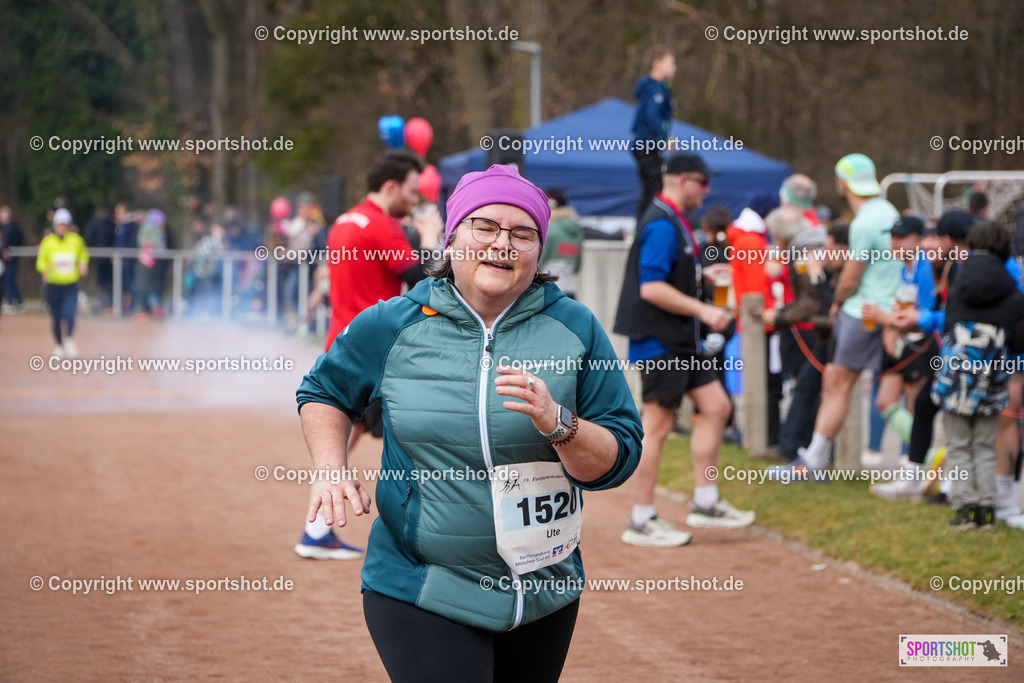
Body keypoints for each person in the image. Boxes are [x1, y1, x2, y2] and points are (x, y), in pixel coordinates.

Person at [296, 164, 642, 680]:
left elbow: (619, 456)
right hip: (421, 585)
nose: (502, 244)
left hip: (544, 590)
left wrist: (561, 424)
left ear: (538, 250)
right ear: (452, 236)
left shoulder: (575, 328)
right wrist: (330, 465)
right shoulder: (395, 323)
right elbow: (323, 389)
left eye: (522, 233)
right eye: (485, 227)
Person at [294, 150, 438, 560]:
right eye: (412, 191)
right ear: (391, 187)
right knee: (412, 431)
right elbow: (424, 282)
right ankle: (320, 529)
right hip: (375, 352)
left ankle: (317, 529)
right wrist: (428, 240)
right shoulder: (381, 226)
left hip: (344, 341)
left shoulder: (344, 220)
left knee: (349, 433)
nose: (415, 199)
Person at [615, 151, 754, 547]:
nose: (707, 189)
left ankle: (706, 501)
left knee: (717, 407)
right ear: (680, 179)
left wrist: (702, 275)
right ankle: (641, 518)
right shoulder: (662, 222)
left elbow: (669, 275)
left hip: (680, 342)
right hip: (661, 342)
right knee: (656, 428)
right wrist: (705, 310)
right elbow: (651, 288)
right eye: (702, 180)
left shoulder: (674, 218)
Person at [770, 154, 902, 477]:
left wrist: (838, 300)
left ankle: (814, 461)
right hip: (888, 308)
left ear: (842, 183)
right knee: (862, 387)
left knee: (838, 384)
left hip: (863, 311)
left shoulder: (864, 221)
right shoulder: (888, 211)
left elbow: (852, 277)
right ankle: (816, 456)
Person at [930, 221, 1024, 529]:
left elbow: (946, 329)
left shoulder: (958, 286)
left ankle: (962, 509)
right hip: (991, 380)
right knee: (985, 445)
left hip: (955, 379)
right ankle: (986, 512)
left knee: (958, 446)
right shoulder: (1014, 292)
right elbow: (1018, 342)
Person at [864, 215, 938, 499]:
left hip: (922, 347)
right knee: (885, 401)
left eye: (902, 237)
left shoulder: (925, 267)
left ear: (918, 239)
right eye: (892, 236)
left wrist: (886, 320)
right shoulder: (902, 268)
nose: (895, 242)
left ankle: (916, 473)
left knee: (917, 407)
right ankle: (930, 459)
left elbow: (922, 317)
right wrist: (889, 327)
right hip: (902, 345)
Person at [630, 46, 676, 223]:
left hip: (643, 143)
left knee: (650, 185)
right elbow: (652, 114)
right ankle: (648, 222)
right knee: (657, 184)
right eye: (671, 63)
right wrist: (666, 137)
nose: (674, 68)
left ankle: (643, 222)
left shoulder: (656, 88)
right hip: (647, 144)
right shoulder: (656, 89)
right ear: (657, 64)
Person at [36, 208, 89, 358]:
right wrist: (44, 269)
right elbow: (40, 261)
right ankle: (59, 345)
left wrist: (83, 264)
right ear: (55, 225)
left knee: (69, 313)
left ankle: (69, 338)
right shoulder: (48, 242)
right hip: (53, 285)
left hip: (70, 284)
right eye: (59, 224)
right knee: (56, 317)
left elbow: (83, 254)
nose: (62, 227)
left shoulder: (76, 240)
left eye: (64, 224)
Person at [539, 188, 585, 298]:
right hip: (570, 290)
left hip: (549, 290)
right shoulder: (578, 230)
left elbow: (538, 263)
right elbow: (577, 266)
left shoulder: (550, 229)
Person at [83, 204, 115, 308]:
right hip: (110, 258)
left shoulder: (95, 223)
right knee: (108, 281)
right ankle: (109, 302)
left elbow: (88, 238)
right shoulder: (112, 224)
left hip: (100, 258)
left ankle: (109, 302)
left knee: (102, 281)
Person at [112, 202, 138, 313]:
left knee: (130, 285)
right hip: (119, 260)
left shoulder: (131, 225)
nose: (118, 214)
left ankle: (133, 307)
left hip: (128, 260)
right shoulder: (119, 225)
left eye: (120, 211)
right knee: (120, 284)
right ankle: (120, 307)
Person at [1, 205, 24, 310]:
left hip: (12, 256)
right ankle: (17, 300)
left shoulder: (13, 226)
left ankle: (12, 301)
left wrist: (10, 250)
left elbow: (19, 239)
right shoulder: (1, 227)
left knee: (9, 277)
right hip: (2, 257)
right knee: (7, 278)